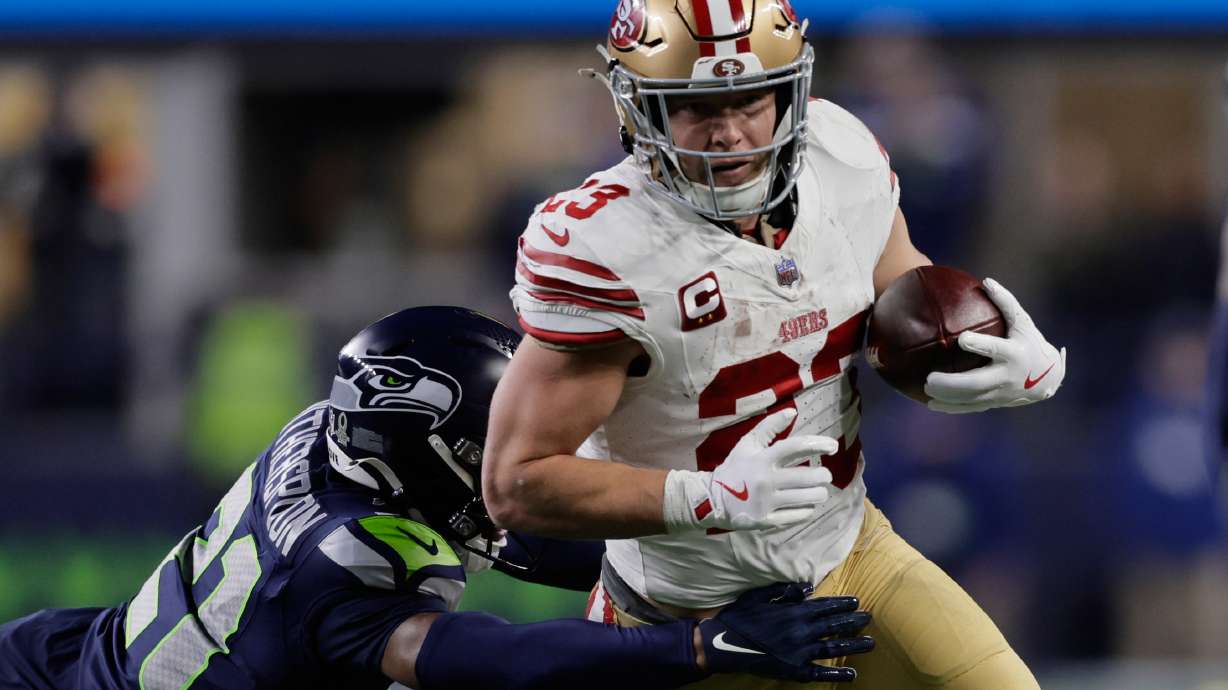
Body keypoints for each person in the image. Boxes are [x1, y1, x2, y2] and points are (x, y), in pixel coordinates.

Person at [485, 2, 1066, 688]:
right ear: (638, 108)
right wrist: (708, 497)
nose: (729, 133)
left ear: (790, 90)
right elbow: (516, 484)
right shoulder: (608, 248)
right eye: (697, 106)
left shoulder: (841, 156)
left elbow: (902, 292)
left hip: (854, 556)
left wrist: (989, 349)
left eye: (749, 100)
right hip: (686, 618)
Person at [0, 306, 874, 690]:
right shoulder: (342, 564)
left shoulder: (344, 434)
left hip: (80, 650)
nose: (517, 460)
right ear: (421, 449)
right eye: (487, 444)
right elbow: (498, 664)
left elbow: (521, 532)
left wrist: (704, 562)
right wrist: (698, 644)